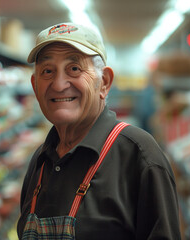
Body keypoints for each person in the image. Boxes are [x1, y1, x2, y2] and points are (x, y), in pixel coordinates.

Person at [17, 22, 181, 240]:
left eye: (74, 69)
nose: (58, 84)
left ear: (104, 82)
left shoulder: (140, 156)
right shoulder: (39, 161)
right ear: (35, 86)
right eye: (48, 71)